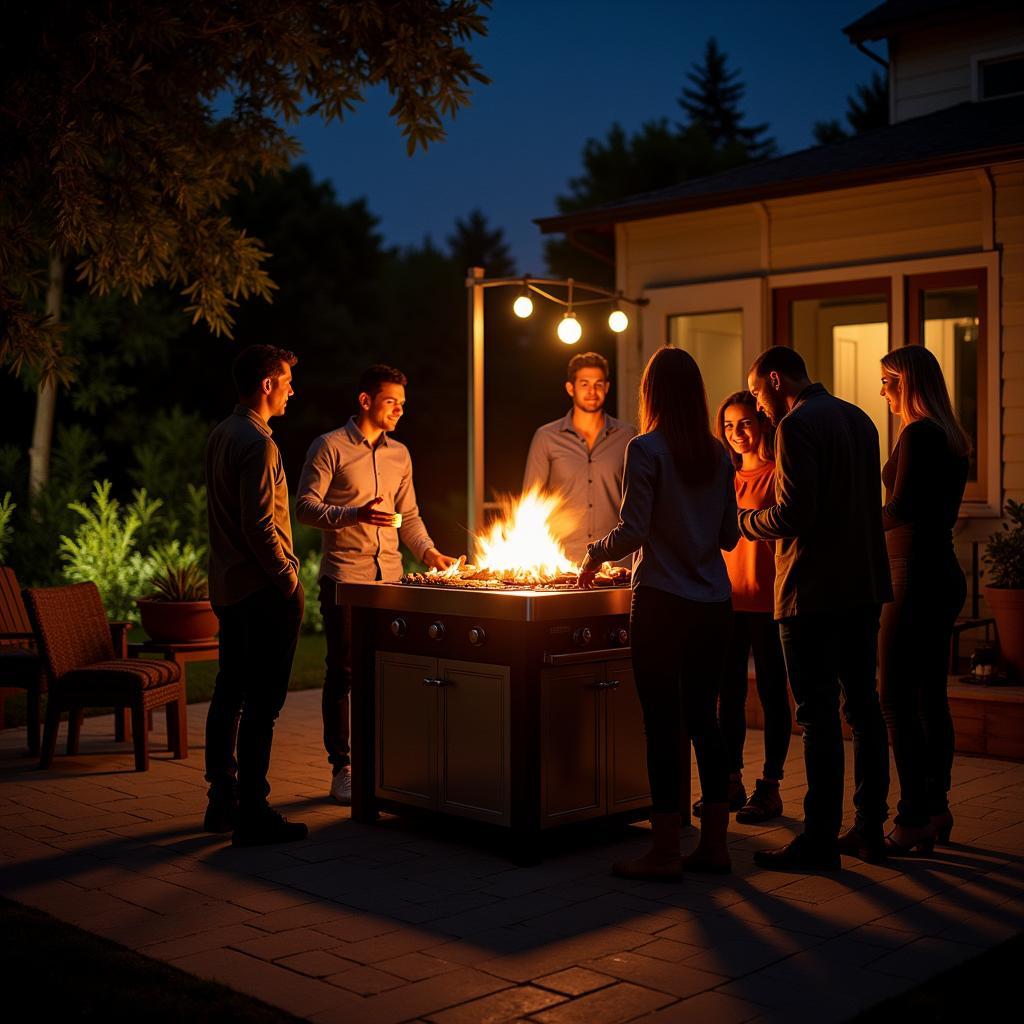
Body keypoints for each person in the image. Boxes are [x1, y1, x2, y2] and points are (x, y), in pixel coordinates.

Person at [580, 347, 739, 879]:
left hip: (663, 603)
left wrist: (595, 552)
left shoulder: (644, 450)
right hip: (714, 605)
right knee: (704, 720)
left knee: (662, 726)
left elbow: (634, 531)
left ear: (652, 393)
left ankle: (665, 851)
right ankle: (715, 847)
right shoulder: (718, 454)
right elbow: (728, 535)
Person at [739, 346, 892, 869]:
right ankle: (870, 828)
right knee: (865, 708)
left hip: (811, 592)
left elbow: (792, 513)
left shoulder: (795, 425)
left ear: (776, 379)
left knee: (818, 715)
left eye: (759, 393)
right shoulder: (860, 419)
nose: (759, 408)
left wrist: (743, 523)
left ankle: (819, 841)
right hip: (864, 585)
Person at [296, 364, 459, 805]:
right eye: (391, 402)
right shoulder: (329, 446)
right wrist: (353, 514)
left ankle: (388, 762)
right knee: (344, 672)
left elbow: (411, 515)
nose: (398, 411)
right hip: (345, 580)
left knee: (393, 673)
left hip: (391, 579)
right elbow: (305, 507)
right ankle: (343, 768)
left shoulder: (400, 455)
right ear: (365, 400)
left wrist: (429, 554)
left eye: (402, 405)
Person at [204, 344, 307, 846]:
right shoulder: (259, 443)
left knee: (229, 691)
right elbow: (259, 524)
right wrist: (287, 577)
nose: (292, 390)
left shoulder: (223, 433)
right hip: (261, 591)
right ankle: (254, 810)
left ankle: (221, 798)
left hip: (227, 586)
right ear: (267, 384)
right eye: (286, 381)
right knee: (263, 703)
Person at [878, 346, 969, 854]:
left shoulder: (917, 434)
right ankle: (937, 807)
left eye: (889, 381)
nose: (884, 390)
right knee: (930, 697)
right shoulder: (951, 438)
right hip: (942, 569)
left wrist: (846, 526)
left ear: (908, 382)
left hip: (910, 571)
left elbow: (899, 510)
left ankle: (912, 816)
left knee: (893, 697)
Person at [691, 391, 791, 825]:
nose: (737, 433)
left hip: (769, 600)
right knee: (726, 695)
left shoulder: (778, 474)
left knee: (771, 693)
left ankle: (771, 787)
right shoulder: (722, 477)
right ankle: (731, 780)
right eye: (729, 426)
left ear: (763, 424)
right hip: (724, 600)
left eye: (745, 423)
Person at [523, 352, 635, 563]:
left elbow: (640, 501)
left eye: (598, 384)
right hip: (562, 560)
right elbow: (532, 500)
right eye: (584, 384)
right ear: (570, 388)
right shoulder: (546, 438)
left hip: (617, 559)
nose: (592, 391)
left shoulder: (628, 436)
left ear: (607, 388)